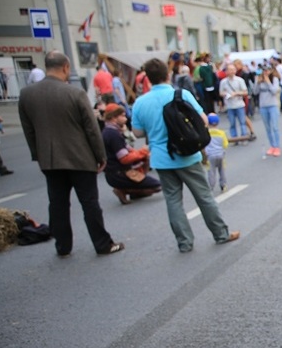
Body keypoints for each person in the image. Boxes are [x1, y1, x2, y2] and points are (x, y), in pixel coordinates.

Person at [18, 51, 124, 257]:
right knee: (89, 203)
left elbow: (28, 129)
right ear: (66, 67)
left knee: (57, 203)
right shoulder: (75, 94)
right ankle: (102, 244)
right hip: (80, 157)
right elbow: (91, 128)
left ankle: (63, 246)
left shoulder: (27, 94)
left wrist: (38, 154)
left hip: (49, 159)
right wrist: (100, 156)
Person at [130, 57, 240, 253]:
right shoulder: (181, 95)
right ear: (167, 74)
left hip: (161, 158)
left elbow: (137, 132)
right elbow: (203, 120)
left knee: (173, 201)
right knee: (204, 196)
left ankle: (184, 242)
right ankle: (220, 233)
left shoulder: (140, 102)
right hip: (186, 155)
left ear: (148, 79)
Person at [101, 102, 160, 204]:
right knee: (158, 186)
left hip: (113, 173)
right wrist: (143, 152)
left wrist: (141, 153)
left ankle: (133, 189)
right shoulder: (113, 134)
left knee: (144, 158)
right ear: (114, 118)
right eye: (122, 116)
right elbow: (124, 158)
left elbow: (129, 149)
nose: (126, 119)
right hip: (119, 173)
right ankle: (125, 189)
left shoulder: (110, 131)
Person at [256, 67, 282, 157]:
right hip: (263, 106)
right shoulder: (260, 80)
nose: (265, 72)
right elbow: (255, 92)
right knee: (268, 128)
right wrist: (257, 82)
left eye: (267, 70)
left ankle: (277, 146)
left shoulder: (274, 79)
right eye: (264, 70)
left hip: (272, 105)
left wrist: (268, 81)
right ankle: (272, 145)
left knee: (275, 127)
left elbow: (275, 91)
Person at [219, 64, 249, 140]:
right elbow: (221, 93)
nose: (231, 71)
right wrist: (226, 94)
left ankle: (243, 137)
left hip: (239, 104)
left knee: (242, 122)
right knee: (232, 123)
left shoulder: (239, 80)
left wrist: (236, 93)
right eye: (230, 70)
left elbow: (245, 92)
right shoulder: (223, 82)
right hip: (229, 105)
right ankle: (234, 138)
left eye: (233, 69)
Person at [204, 114, 229, 192]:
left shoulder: (206, 133)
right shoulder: (221, 133)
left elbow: (203, 144)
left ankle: (211, 186)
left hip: (210, 156)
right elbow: (225, 144)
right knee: (222, 170)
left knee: (211, 172)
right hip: (220, 155)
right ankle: (223, 185)